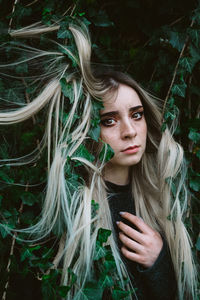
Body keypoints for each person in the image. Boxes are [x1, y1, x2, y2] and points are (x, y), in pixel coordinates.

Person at [0, 19, 197, 300]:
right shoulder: (70, 216)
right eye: (109, 120)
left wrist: (160, 263)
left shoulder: (162, 202)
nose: (130, 132)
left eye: (136, 114)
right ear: (88, 129)